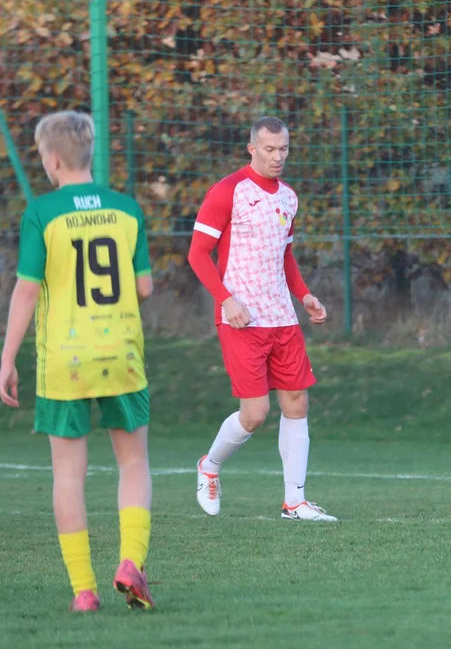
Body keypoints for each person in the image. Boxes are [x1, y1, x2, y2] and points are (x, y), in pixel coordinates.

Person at [0, 111, 156, 611]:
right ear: (90, 155)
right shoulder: (126, 209)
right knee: (133, 462)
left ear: (52, 160)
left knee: (68, 474)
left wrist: (6, 359)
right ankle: (131, 562)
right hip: (121, 355)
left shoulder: (42, 214)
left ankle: (84, 593)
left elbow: (26, 294)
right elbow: (144, 287)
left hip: (64, 359)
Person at [187, 116, 336, 522]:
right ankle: (210, 466)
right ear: (251, 149)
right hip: (241, 319)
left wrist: (304, 295)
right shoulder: (227, 192)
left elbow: (284, 256)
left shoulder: (289, 198)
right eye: (269, 149)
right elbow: (198, 254)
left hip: (282, 318)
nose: (277, 156)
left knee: (297, 402)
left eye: (283, 148)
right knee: (254, 414)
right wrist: (226, 300)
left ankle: (295, 502)